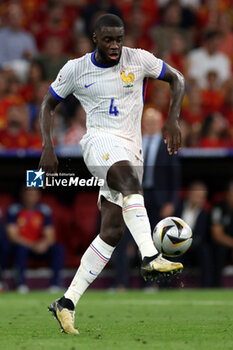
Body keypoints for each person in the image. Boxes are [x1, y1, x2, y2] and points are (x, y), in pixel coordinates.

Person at [39, 14, 185, 334]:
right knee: (131, 183)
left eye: (119, 38)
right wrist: (48, 146)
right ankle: (150, 256)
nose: (115, 45)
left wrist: (172, 119)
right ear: (95, 38)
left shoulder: (138, 59)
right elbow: (48, 104)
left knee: (112, 232)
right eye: (108, 40)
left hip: (132, 149)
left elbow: (177, 78)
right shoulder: (76, 68)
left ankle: (67, 301)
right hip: (99, 142)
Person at [5, 187, 64, 293]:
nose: (30, 197)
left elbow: (50, 236)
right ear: (23, 194)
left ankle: (55, 284)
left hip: (39, 247)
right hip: (22, 247)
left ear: (38, 195)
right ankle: (21, 285)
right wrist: (32, 245)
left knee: (58, 249)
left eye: (33, 194)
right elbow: (13, 236)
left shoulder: (44, 210)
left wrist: (43, 244)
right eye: (28, 194)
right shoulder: (14, 210)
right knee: (20, 249)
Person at [211, 183, 233, 286]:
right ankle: (216, 285)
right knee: (220, 250)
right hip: (222, 246)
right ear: (228, 194)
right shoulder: (219, 208)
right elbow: (217, 235)